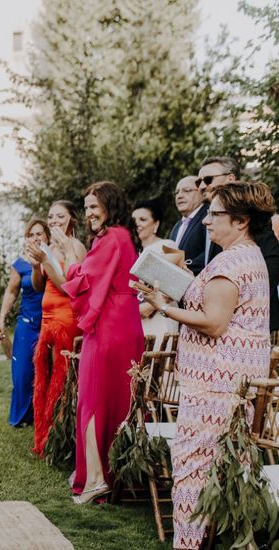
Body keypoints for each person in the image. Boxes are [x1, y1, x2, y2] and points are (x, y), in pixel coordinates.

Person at [143, 182, 273, 549]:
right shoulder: (246, 255)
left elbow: (214, 323)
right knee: (219, 471)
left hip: (215, 390)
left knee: (191, 469)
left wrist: (163, 305)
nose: (206, 222)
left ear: (242, 220)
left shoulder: (231, 262)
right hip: (227, 387)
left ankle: (189, 544)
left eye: (215, 215)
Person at [57, 182, 143, 504]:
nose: (89, 212)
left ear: (110, 205)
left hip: (109, 325)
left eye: (95, 206)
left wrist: (68, 258)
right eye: (87, 206)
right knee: (113, 400)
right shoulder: (121, 236)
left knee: (93, 399)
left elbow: (85, 278)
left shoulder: (112, 237)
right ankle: (105, 472)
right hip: (122, 320)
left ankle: (96, 479)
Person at [25, 200, 86, 457]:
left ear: (71, 218)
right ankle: (44, 433)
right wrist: (35, 263)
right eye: (51, 217)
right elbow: (39, 286)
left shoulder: (77, 247)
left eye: (60, 216)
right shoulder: (48, 247)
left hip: (66, 318)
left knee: (62, 378)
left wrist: (46, 261)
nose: (53, 221)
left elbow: (70, 288)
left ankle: (62, 435)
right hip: (47, 317)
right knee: (43, 377)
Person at [198, 157, 279, 332]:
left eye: (208, 179)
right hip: (213, 321)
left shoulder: (253, 219)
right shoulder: (206, 219)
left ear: (230, 178)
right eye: (199, 181)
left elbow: (271, 265)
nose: (202, 186)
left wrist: (231, 294)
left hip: (250, 325)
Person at [0, 218, 47, 428]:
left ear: (47, 236)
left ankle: (42, 414)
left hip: (49, 322)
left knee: (46, 370)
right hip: (27, 322)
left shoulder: (53, 259)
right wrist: (1, 320)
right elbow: (11, 291)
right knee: (23, 371)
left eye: (39, 233)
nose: (35, 238)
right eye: (31, 234)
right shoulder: (20, 263)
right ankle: (22, 416)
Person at [132, 200, 179, 348]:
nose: (137, 224)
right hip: (135, 319)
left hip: (160, 315)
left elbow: (177, 283)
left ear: (156, 224)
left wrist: (147, 308)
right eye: (134, 220)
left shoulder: (168, 245)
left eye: (143, 219)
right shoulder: (132, 252)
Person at [169, 175, 209, 276]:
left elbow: (211, 253)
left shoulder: (209, 217)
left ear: (202, 193)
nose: (179, 196)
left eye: (186, 190)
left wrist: (182, 269)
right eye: (176, 192)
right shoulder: (177, 226)